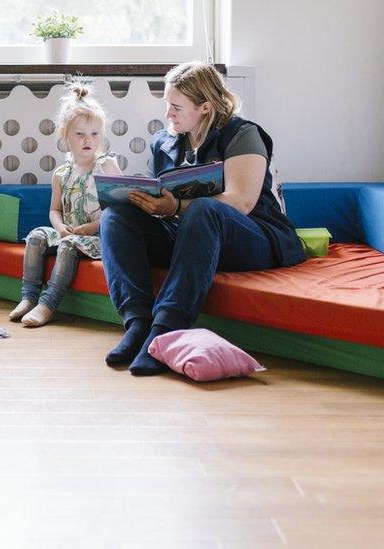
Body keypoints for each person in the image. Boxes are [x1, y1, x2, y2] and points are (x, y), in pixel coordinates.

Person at [99, 61, 305, 375]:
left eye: (176, 106)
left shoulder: (243, 134)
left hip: (254, 237)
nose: (168, 113)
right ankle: (138, 323)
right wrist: (146, 201)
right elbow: (165, 196)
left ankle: (165, 330)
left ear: (205, 107)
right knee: (116, 216)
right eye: (167, 103)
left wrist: (175, 207)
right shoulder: (164, 142)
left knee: (204, 209)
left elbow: (242, 201)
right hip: (192, 236)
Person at [8, 83, 121, 327]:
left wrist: (91, 227)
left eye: (94, 134)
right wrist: (59, 227)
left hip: (98, 237)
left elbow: (119, 211)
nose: (88, 140)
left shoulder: (106, 166)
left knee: (69, 244)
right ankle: (28, 297)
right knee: (37, 235)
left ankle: (48, 303)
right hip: (69, 233)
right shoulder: (61, 173)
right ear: (65, 135)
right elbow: (55, 210)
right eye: (80, 134)